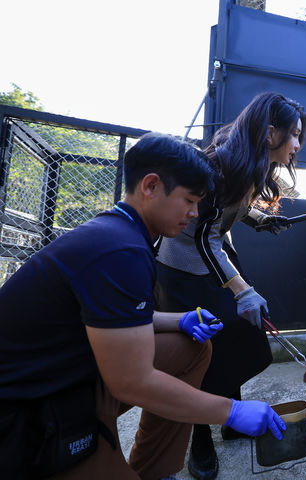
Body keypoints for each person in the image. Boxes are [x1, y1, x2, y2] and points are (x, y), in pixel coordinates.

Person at [0, 133, 286, 480]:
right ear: (151, 186)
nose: (194, 214)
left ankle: (154, 470)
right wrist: (231, 411)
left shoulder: (123, 234)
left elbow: (115, 320)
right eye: (189, 201)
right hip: (29, 406)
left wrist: (179, 321)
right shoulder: (121, 251)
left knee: (191, 348)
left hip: (74, 370)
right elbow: (131, 382)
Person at [154, 91, 306, 479]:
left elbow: (226, 214)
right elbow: (202, 238)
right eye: (295, 135)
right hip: (185, 270)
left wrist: (258, 219)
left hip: (215, 261)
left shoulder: (250, 164)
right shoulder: (219, 164)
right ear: (271, 133)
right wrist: (242, 290)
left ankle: (230, 417)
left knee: (242, 340)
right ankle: (200, 434)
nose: (298, 145)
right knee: (201, 350)